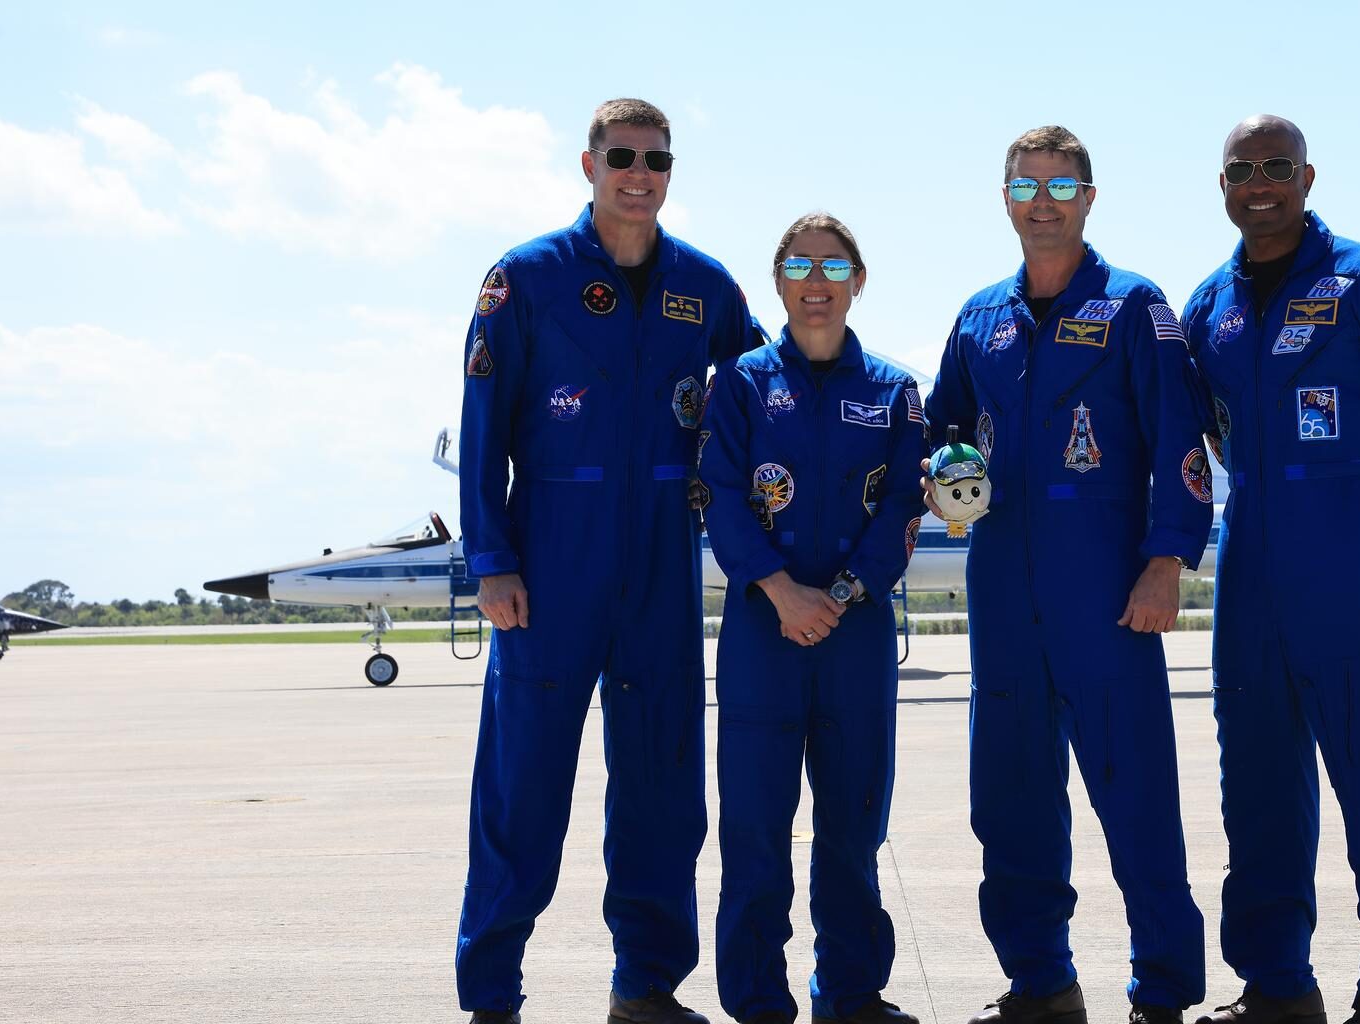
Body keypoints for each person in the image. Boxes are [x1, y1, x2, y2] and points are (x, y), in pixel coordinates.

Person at [455, 97, 765, 1024]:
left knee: (664, 782)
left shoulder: (704, 288)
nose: (641, 173)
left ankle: (647, 985)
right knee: (523, 785)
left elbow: (768, 394)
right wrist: (491, 557)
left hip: (663, 560)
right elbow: (481, 430)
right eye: (623, 156)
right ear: (587, 165)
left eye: (657, 160)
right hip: (551, 560)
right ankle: (493, 994)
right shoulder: (525, 278)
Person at [925, 125, 1213, 1024]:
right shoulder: (979, 318)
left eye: (1059, 186)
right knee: (1009, 806)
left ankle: (1163, 993)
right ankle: (1039, 983)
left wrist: (1167, 563)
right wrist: (941, 480)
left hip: (1108, 592)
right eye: (1023, 188)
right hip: (1004, 594)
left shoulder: (1135, 307)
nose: (1041, 202)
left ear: (1090, 197)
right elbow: (940, 430)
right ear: (1003, 199)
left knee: (1136, 803)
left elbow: (1181, 445)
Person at [1182, 115, 1360, 1024]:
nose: (1258, 184)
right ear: (1221, 184)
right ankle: (1276, 986)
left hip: (1348, 552)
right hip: (1251, 551)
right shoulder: (1206, 307)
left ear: (1307, 176)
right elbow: (1196, 429)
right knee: (1257, 785)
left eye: (1275, 167)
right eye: (1241, 170)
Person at [699, 213, 928, 1024]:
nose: (817, 279)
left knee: (854, 823)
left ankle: (852, 993)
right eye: (800, 263)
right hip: (764, 630)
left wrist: (841, 595)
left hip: (855, 631)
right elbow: (720, 497)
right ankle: (758, 999)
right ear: (780, 282)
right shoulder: (741, 384)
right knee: (756, 828)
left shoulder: (896, 391)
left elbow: (904, 502)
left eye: (834, 265)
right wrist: (779, 591)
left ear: (858, 281)